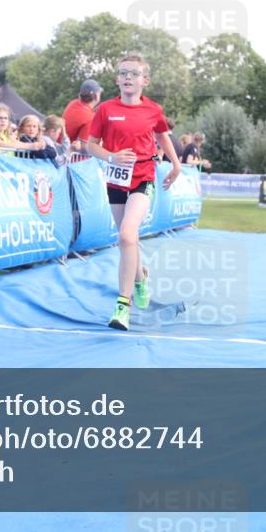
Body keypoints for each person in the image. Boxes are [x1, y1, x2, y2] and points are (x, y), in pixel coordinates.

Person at [86, 55, 182, 331]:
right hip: (115, 180)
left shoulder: (153, 110)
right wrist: (112, 157)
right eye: (123, 73)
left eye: (134, 74)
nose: (128, 77)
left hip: (143, 177)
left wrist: (175, 164)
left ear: (145, 81)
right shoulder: (105, 109)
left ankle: (122, 306)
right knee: (127, 243)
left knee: (127, 235)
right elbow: (92, 146)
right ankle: (140, 277)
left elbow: (163, 135)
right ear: (117, 79)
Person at [62, 79, 103, 151]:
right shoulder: (90, 118)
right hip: (71, 158)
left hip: (61, 150)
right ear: (96, 96)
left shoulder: (73, 103)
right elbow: (84, 146)